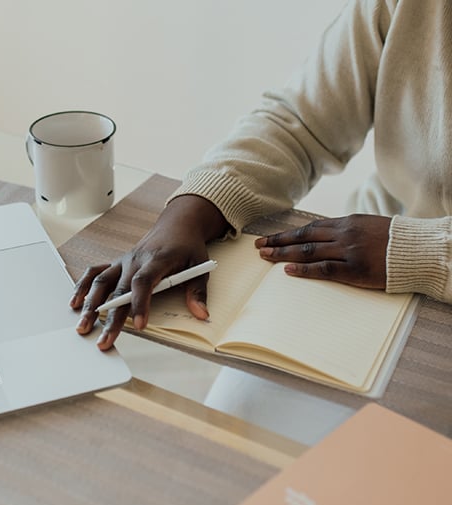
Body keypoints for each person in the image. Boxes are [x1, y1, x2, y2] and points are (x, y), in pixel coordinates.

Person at [71, 0, 452, 351]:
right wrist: (192, 208)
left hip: (399, 269)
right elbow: (300, 124)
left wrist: (421, 251)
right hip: (364, 256)